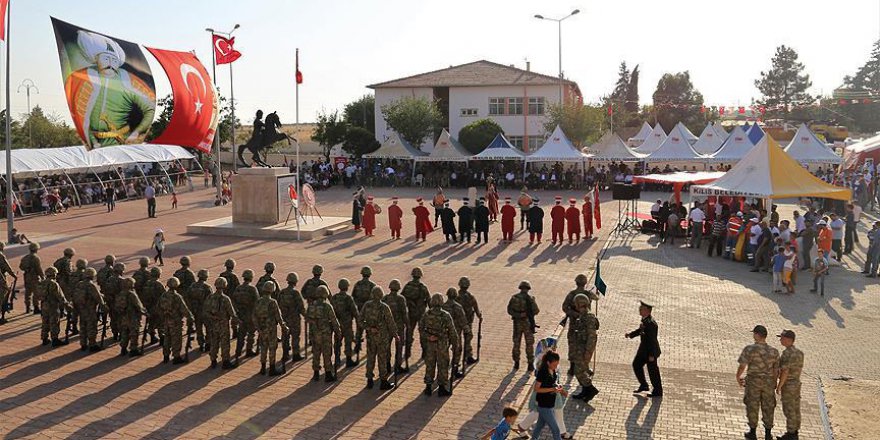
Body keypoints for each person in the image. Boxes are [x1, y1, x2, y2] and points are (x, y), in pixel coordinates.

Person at [736, 325, 780, 440]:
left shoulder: (749, 349)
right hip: (768, 384)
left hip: (753, 383)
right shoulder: (774, 352)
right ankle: (767, 433)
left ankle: (752, 432)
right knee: (769, 407)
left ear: (756, 335)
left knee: (752, 406)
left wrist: (738, 377)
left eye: (754, 333)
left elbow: (742, 366)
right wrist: (775, 383)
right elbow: (776, 370)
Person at [361, 286, 399, 390]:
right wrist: (396, 335)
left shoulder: (367, 305)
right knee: (382, 359)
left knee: (370, 358)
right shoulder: (384, 307)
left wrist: (369, 328)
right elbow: (390, 322)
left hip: (370, 337)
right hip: (382, 338)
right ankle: (383, 381)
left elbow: (360, 321)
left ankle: (369, 380)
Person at [420, 293, 458, 397]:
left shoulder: (427, 314)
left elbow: (421, 328)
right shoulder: (445, 315)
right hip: (442, 344)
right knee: (443, 365)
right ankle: (441, 388)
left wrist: (428, 337)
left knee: (430, 365)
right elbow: (452, 331)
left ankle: (428, 387)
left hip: (430, 345)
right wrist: (455, 345)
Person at [626, 301, 663, 397]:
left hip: (650, 352)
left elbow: (652, 340)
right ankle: (644, 385)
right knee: (636, 365)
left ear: (647, 311)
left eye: (641, 308)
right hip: (644, 350)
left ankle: (658, 391)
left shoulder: (651, 324)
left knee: (653, 372)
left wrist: (651, 355)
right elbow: (641, 331)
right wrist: (631, 335)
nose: (639, 309)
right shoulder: (645, 320)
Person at [307, 285, 341, 382]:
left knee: (316, 353)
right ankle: (328, 374)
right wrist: (338, 332)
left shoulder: (311, 305)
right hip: (325, 334)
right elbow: (334, 321)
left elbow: (309, 319)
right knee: (327, 353)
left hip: (314, 333)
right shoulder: (327, 306)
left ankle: (316, 373)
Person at [570, 294, 600, 402]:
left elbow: (592, 336)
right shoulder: (582, 316)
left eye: (577, 304)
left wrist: (588, 351)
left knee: (579, 371)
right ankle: (585, 391)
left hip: (585, 349)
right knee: (580, 369)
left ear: (580, 304)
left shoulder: (589, 317)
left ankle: (591, 389)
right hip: (580, 348)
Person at [531, 351, 567, 440]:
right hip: (544, 405)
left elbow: (552, 383)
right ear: (548, 362)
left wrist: (559, 388)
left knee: (539, 425)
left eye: (557, 364)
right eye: (554, 364)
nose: (556, 366)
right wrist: (552, 389)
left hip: (550, 404)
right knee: (556, 430)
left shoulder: (553, 370)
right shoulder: (542, 372)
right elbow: (537, 389)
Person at [204, 277, 239, 369]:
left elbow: (206, 311)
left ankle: (213, 360)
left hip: (213, 324)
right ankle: (225, 362)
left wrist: (213, 317)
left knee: (214, 342)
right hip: (223, 324)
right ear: (225, 286)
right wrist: (237, 321)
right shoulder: (226, 299)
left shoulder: (210, 297)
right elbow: (232, 313)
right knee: (225, 343)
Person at [253, 282, 287, 375]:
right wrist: (284, 326)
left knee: (263, 347)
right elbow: (278, 316)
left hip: (262, 328)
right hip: (271, 329)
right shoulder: (273, 302)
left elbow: (254, 316)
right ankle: (272, 368)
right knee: (272, 348)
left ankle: (263, 368)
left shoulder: (259, 301)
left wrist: (258, 328)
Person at [776, 330, 804, 440]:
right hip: (796, 383)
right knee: (796, 408)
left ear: (789, 340)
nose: (780, 340)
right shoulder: (799, 352)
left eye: (782, 338)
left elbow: (785, 371)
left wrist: (779, 386)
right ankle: (794, 431)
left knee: (789, 409)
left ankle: (791, 434)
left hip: (788, 385)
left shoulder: (788, 354)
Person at [159, 277, 194, 364]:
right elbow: (184, 309)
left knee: (167, 338)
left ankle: (166, 356)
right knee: (176, 339)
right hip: (175, 321)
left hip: (166, 320)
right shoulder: (177, 297)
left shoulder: (164, 295)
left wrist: (164, 315)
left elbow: (158, 307)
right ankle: (176, 356)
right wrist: (190, 317)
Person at [508, 280, 539, 371]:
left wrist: (518, 315)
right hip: (528, 324)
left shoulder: (514, 298)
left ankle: (516, 363)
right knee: (529, 344)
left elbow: (509, 310)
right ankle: (530, 364)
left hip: (517, 324)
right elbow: (536, 311)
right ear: (528, 289)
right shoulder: (530, 299)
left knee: (516, 343)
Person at [73, 267, 105, 352]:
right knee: (91, 326)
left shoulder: (79, 284)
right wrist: (103, 306)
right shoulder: (91, 285)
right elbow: (97, 297)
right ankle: (92, 344)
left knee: (83, 326)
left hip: (81, 308)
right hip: (90, 309)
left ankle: (83, 344)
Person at [402, 267, 430, 362]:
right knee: (423, 333)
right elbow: (429, 301)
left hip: (411, 313)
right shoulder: (423, 287)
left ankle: (407, 351)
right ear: (420, 276)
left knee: (409, 332)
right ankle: (424, 352)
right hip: (421, 313)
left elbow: (402, 299)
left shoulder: (407, 286)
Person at [330, 278, 359, 368]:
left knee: (337, 342)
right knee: (348, 342)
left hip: (337, 324)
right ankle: (348, 360)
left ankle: (337, 359)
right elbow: (355, 311)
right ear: (347, 287)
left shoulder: (334, 297)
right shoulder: (348, 298)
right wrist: (359, 321)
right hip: (347, 324)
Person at [40, 267, 71, 347]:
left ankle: (44, 338)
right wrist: (67, 305)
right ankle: (55, 339)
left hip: (44, 305)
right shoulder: (54, 284)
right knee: (54, 322)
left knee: (45, 322)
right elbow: (60, 296)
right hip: (53, 305)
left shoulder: (42, 282)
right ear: (53, 274)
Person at [278, 272, 305, 363]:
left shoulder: (282, 292)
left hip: (285, 318)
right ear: (295, 282)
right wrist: (307, 317)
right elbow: (301, 307)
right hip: (294, 319)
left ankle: (285, 354)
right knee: (295, 337)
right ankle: (295, 354)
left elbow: (278, 304)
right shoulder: (295, 293)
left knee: (285, 337)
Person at [383, 279, 409, 374]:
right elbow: (404, 313)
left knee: (387, 346)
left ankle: (387, 365)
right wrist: (407, 324)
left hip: (387, 326)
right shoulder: (401, 299)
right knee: (399, 346)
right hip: (399, 327)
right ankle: (397, 366)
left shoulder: (385, 298)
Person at [116, 277, 147, 356]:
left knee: (125, 332)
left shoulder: (121, 293)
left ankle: (123, 348)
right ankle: (133, 349)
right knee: (134, 333)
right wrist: (145, 313)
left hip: (124, 316)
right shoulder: (132, 294)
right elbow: (138, 306)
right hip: (133, 317)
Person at [442, 287, 468, 379]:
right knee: (457, 350)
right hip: (456, 332)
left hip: (444, 333)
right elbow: (463, 320)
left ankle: (443, 370)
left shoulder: (443, 306)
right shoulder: (458, 307)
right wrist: (467, 330)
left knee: (444, 351)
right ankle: (455, 368)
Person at [455, 277, 482, 365]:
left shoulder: (455, 297)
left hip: (457, 322)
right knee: (468, 339)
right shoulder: (470, 297)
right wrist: (479, 316)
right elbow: (476, 308)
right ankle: (468, 356)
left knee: (457, 341)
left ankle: (456, 360)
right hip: (467, 321)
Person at [19, 242, 44, 314]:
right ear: (36, 249)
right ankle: (36, 308)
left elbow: (21, 267)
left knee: (28, 293)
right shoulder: (36, 258)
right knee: (36, 293)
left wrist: (27, 269)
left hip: (27, 277)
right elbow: (38, 269)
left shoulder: (25, 257)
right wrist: (43, 277)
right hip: (34, 277)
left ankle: (27, 308)